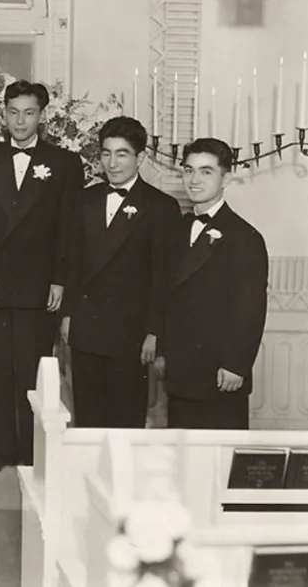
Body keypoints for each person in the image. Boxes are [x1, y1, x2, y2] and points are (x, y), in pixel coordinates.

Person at [0, 80, 82, 474]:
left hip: (39, 284)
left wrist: (60, 281)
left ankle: (33, 452)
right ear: (3, 113)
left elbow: (69, 229)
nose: (20, 121)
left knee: (34, 370)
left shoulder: (64, 163)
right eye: (13, 112)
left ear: (42, 115)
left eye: (29, 112)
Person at [60, 116, 182, 429]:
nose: (112, 163)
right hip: (86, 327)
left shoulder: (161, 207)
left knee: (125, 419)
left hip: (131, 333)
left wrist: (155, 332)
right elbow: (73, 264)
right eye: (106, 153)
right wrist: (68, 316)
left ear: (140, 158)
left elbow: (164, 276)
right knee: (86, 415)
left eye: (122, 154)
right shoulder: (84, 200)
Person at [155, 138, 268, 430]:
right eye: (188, 170)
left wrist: (235, 365)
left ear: (225, 177)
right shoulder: (177, 230)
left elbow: (250, 309)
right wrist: (164, 352)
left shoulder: (245, 237)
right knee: (182, 463)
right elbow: (169, 298)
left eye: (206, 171)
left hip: (221, 374)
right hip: (181, 371)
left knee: (219, 464)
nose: (194, 180)